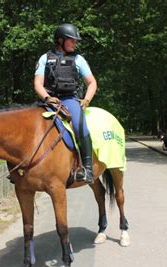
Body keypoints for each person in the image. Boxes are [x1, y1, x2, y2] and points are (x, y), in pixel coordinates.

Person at [34, 23, 97, 183]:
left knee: (79, 125)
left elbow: (92, 83)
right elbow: (38, 84)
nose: (75, 44)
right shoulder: (44, 58)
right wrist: (47, 98)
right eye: (72, 40)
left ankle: (88, 169)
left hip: (70, 99)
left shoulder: (78, 59)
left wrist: (86, 100)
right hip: (50, 100)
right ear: (60, 40)